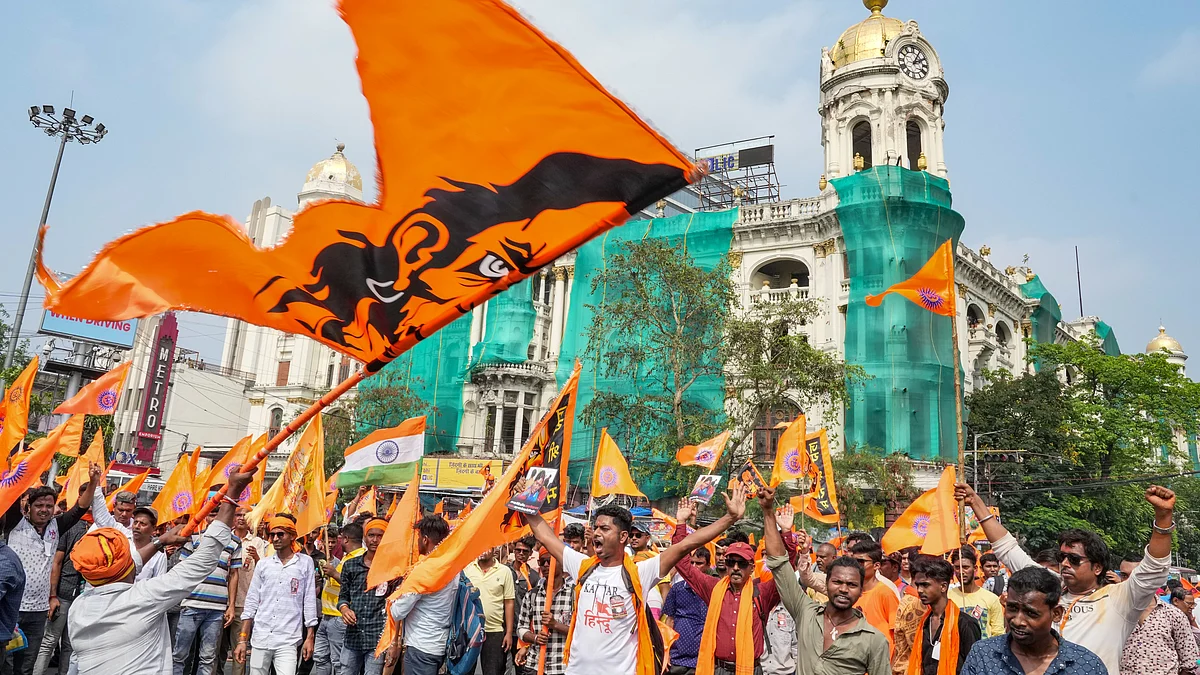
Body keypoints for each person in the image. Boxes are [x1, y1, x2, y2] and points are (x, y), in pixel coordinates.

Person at [522, 484, 751, 675]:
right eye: (595, 527)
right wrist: (526, 503)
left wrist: (729, 518)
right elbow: (544, 535)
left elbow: (686, 545)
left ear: (623, 537)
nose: (597, 533)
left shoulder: (641, 573)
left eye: (604, 528)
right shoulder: (582, 566)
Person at [957, 482, 1174, 674]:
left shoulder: (1120, 598)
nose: (1065, 564)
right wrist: (976, 502)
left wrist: (1163, 519)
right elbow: (1008, 549)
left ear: (1097, 567)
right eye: (1062, 557)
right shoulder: (1049, 586)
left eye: (1074, 559)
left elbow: (1154, 569)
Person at [67, 466, 252, 675]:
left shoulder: (78, 608)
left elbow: (127, 566)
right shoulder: (143, 599)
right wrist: (233, 493)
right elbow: (204, 559)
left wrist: (160, 541)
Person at [760, 488, 890, 675]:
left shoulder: (874, 640)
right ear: (826, 583)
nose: (844, 589)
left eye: (852, 585)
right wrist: (768, 512)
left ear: (861, 590)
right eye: (837, 582)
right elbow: (779, 565)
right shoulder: (805, 613)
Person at [668, 493, 781, 675]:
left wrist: (784, 530)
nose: (735, 568)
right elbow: (682, 564)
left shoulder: (762, 592)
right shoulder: (714, 588)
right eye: (730, 562)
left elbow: (786, 574)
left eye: (742, 563)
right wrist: (681, 524)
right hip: (718, 669)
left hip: (750, 669)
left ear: (752, 567)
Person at [4, 465, 101, 675]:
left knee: (26, 666)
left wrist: (93, 482)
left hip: (38, 613)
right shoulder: (15, 524)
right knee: (5, 664)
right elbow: (9, 495)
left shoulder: (56, 527)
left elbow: (80, 508)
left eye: (49, 505)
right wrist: (16, 470)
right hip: (12, 610)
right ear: (28, 507)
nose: (45, 509)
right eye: (39, 505)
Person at [961, 566, 1105, 675]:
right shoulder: (983, 655)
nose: (1018, 621)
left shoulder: (1087, 665)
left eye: (1031, 613)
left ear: (1056, 614)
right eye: (1012, 608)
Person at [235, 516, 319, 675]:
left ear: (292, 535)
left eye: (281, 534)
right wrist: (242, 640)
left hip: (288, 639)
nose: (275, 538)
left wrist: (310, 637)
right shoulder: (263, 565)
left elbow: (309, 602)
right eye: (272, 535)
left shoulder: (305, 562)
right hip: (261, 637)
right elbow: (251, 603)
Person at [172, 511, 242, 675]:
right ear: (206, 517)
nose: (215, 518)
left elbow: (233, 575)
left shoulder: (235, 542)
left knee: (208, 657)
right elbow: (183, 569)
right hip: (191, 603)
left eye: (219, 514)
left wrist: (231, 606)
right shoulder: (195, 538)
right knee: (180, 655)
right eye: (211, 515)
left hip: (217, 608)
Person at [388, 515, 453, 675]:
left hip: (421, 646)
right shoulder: (451, 566)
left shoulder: (423, 570)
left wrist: (393, 600)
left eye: (418, 537)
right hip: (440, 644)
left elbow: (398, 612)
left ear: (425, 539)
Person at [336, 519, 396, 675]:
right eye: (371, 535)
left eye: (379, 535)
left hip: (377, 637)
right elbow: (343, 596)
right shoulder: (351, 565)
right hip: (352, 636)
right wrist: (344, 609)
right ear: (364, 537)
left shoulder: (393, 569)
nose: (375, 540)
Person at [906, 555, 981, 675]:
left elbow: (974, 666)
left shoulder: (964, 623)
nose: (919, 590)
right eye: (918, 585)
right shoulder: (924, 622)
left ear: (943, 586)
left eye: (925, 585)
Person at [516, 546, 573, 675]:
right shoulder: (532, 595)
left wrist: (555, 625)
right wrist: (535, 638)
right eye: (542, 562)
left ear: (561, 562)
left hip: (562, 667)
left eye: (550, 561)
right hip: (535, 665)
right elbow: (521, 628)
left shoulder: (574, 595)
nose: (546, 565)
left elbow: (581, 633)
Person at [1118, 585, 1199, 675]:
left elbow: (1190, 661)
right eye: (1124, 575)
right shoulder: (1114, 614)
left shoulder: (1174, 614)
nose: (1131, 581)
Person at [317, 522, 363, 675]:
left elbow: (357, 586)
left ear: (346, 539)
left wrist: (334, 573)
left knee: (339, 662)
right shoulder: (346, 558)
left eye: (340, 538)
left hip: (339, 617)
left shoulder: (359, 558)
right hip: (327, 615)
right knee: (321, 657)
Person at [465, 547, 516, 675]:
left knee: (493, 671)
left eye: (486, 547)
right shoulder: (467, 569)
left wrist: (508, 633)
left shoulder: (504, 571)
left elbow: (509, 602)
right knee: (466, 671)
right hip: (470, 630)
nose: (482, 550)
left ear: (494, 549)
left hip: (494, 631)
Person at [661, 549, 711, 675]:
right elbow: (669, 621)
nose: (694, 567)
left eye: (699, 563)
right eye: (691, 563)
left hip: (702, 659)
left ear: (708, 566)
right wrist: (666, 653)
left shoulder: (714, 589)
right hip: (676, 658)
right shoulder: (677, 589)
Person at [847, 540, 899, 647]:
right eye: (853, 561)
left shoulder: (885, 593)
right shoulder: (850, 593)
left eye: (861, 561)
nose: (855, 566)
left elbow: (898, 634)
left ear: (876, 565)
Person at [947, 546, 1003, 639]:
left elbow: (998, 634)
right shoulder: (947, 597)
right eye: (957, 567)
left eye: (965, 567)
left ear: (975, 569)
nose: (961, 572)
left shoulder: (991, 599)